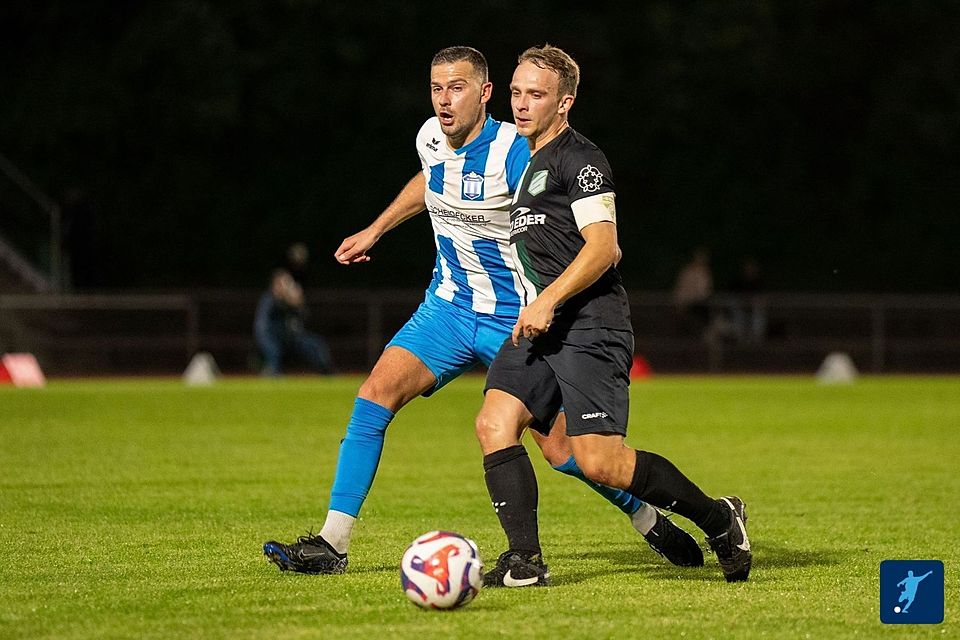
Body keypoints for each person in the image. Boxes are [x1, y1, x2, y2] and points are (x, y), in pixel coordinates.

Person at [262, 46, 702, 575]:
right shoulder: (430, 136)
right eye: (436, 89)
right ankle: (333, 544)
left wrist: (591, 255)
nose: (444, 101)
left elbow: (568, 209)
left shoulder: (517, 151)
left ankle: (647, 519)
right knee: (374, 395)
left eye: (456, 89)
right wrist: (377, 228)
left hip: (515, 316)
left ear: (485, 93)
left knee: (564, 452)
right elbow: (431, 179)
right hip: (445, 309)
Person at [475, 45, 752, 587]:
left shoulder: (581, 159)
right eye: (516, 92)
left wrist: (547, 299)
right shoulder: (530, 161)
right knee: (494, 423)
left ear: (565, 104)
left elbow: (603, 247)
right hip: (541, 329)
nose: (523, 104)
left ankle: (719, 519)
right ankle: (525, 562)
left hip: (588, 326)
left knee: (599, 461)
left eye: (537, 94)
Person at [254, 268, 334, 376]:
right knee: (275, 354)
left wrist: (298, 303)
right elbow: (265, 322)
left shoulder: (290, 302)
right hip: (270, 338)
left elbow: (303, 317)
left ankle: (328, 374)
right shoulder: (269, 299)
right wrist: (289, 300)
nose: (288, 287)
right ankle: (271, 375)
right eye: (285, 284)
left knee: (316, 345)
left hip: (290, 338)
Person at [672, 247, 713, 336]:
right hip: (688, 303)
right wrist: (680, 303)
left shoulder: (705, 272)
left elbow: (705, 292)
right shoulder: (687, 272)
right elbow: (681, 289)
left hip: (700, 304)